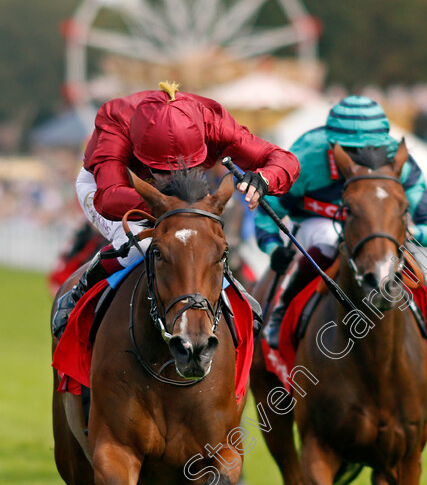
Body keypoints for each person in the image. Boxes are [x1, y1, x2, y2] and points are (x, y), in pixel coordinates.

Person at [51, 82, 299, 338]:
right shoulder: (116, 120)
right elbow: (109, 197)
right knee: (143, 246)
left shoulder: (212, 121)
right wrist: (169, 205)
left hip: (184, 198)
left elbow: (285, 160)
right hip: (111, 187)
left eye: (182, 169)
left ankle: (230, 284)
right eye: (161, 170)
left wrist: (265, 178)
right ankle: (81, 289)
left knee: (203, 241)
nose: (169, 178)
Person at [255, 95, 427, 346]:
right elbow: (267, 210)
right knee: (327, 241)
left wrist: (412, 233)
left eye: (370, 149)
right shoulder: (305, 157)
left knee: (395, 239)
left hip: (371, 225)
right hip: (319, 221)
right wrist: (273, 249)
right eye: (350, 149)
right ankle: (282, 310)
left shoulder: (396, 158)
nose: (361, 156)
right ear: (331, 144)